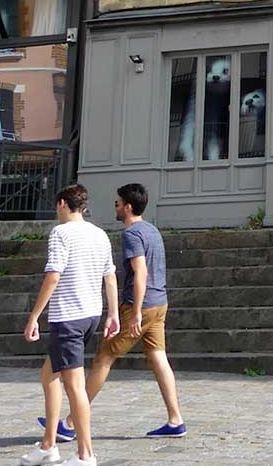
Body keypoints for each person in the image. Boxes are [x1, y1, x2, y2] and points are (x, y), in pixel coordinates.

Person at [53, 182, 186, 438]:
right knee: (159, 357)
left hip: (140, 306)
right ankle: (175, 419)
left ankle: (70, 424)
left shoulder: (131, 234)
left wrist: (135, 311)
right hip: (160, 304)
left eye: (117, 203)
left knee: (103, 358)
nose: (114, 206)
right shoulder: (152, 231)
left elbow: (140, 273)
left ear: (127, 207)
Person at [20, 183, 118, 466]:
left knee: (74, 386)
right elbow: (110, 275)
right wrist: (113, 314)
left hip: (68, 318)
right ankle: (49, 444)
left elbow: (53, 275)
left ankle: (85, 454)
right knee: (49, 375)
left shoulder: (60, 233)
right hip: (90, 315)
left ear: (62, 203)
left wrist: (34, 315)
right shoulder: (99, 234)